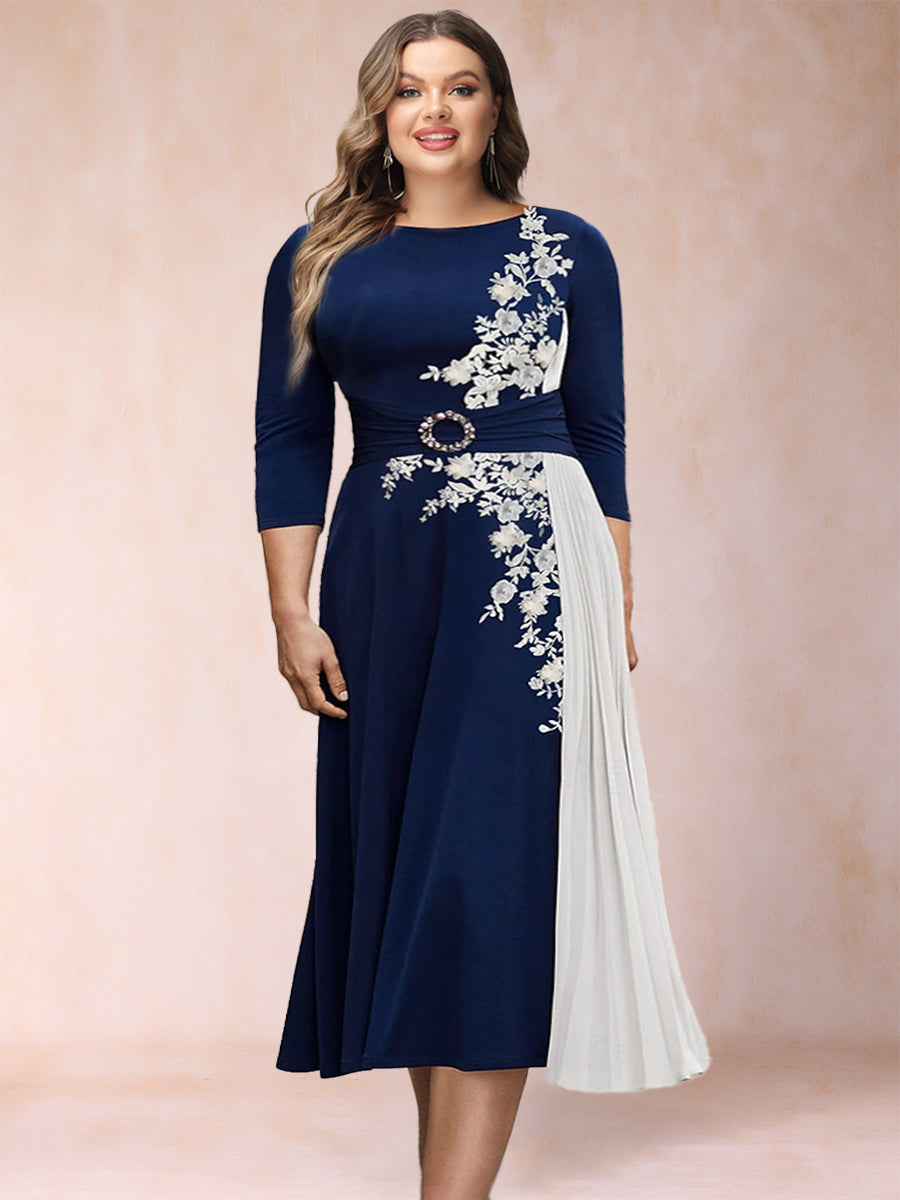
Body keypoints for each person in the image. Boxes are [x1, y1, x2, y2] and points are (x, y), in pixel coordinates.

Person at [254, 9, 711, 1197]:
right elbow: (290, 441)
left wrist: (612, 602)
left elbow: (601, 435)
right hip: (381, 580)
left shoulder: (569, 248)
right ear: (381, 113)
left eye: (461, 86)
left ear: (496, 107)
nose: (436, 109)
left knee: (486, 874)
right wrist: (290, 612)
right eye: (411, 89)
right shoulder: (317, 256)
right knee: (415, 876)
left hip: (530, 582)